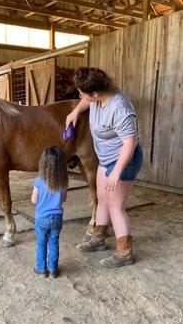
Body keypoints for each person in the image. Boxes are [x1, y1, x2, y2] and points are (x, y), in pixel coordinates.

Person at [66, 67, 143, 268]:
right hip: (106, 158)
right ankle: (98, 238)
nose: (82, 97)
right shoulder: (98, 96)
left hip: (124, 160)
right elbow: (85, 100)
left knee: (115, 206)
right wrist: (75, 112)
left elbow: (130, 142)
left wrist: (116, 172)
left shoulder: (120, 109)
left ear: (96, 93)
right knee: (101, 199)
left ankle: (125, 252)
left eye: (83, 95)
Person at [31, 146, 68, 278]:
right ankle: (53, 270)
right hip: (57, 218)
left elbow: (34, 200)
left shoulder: (38, 181)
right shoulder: (63, 181)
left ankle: (41, 269)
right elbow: (63, 199)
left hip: (41, 218)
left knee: (41, 242)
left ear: (43, 163)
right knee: (54, 242)